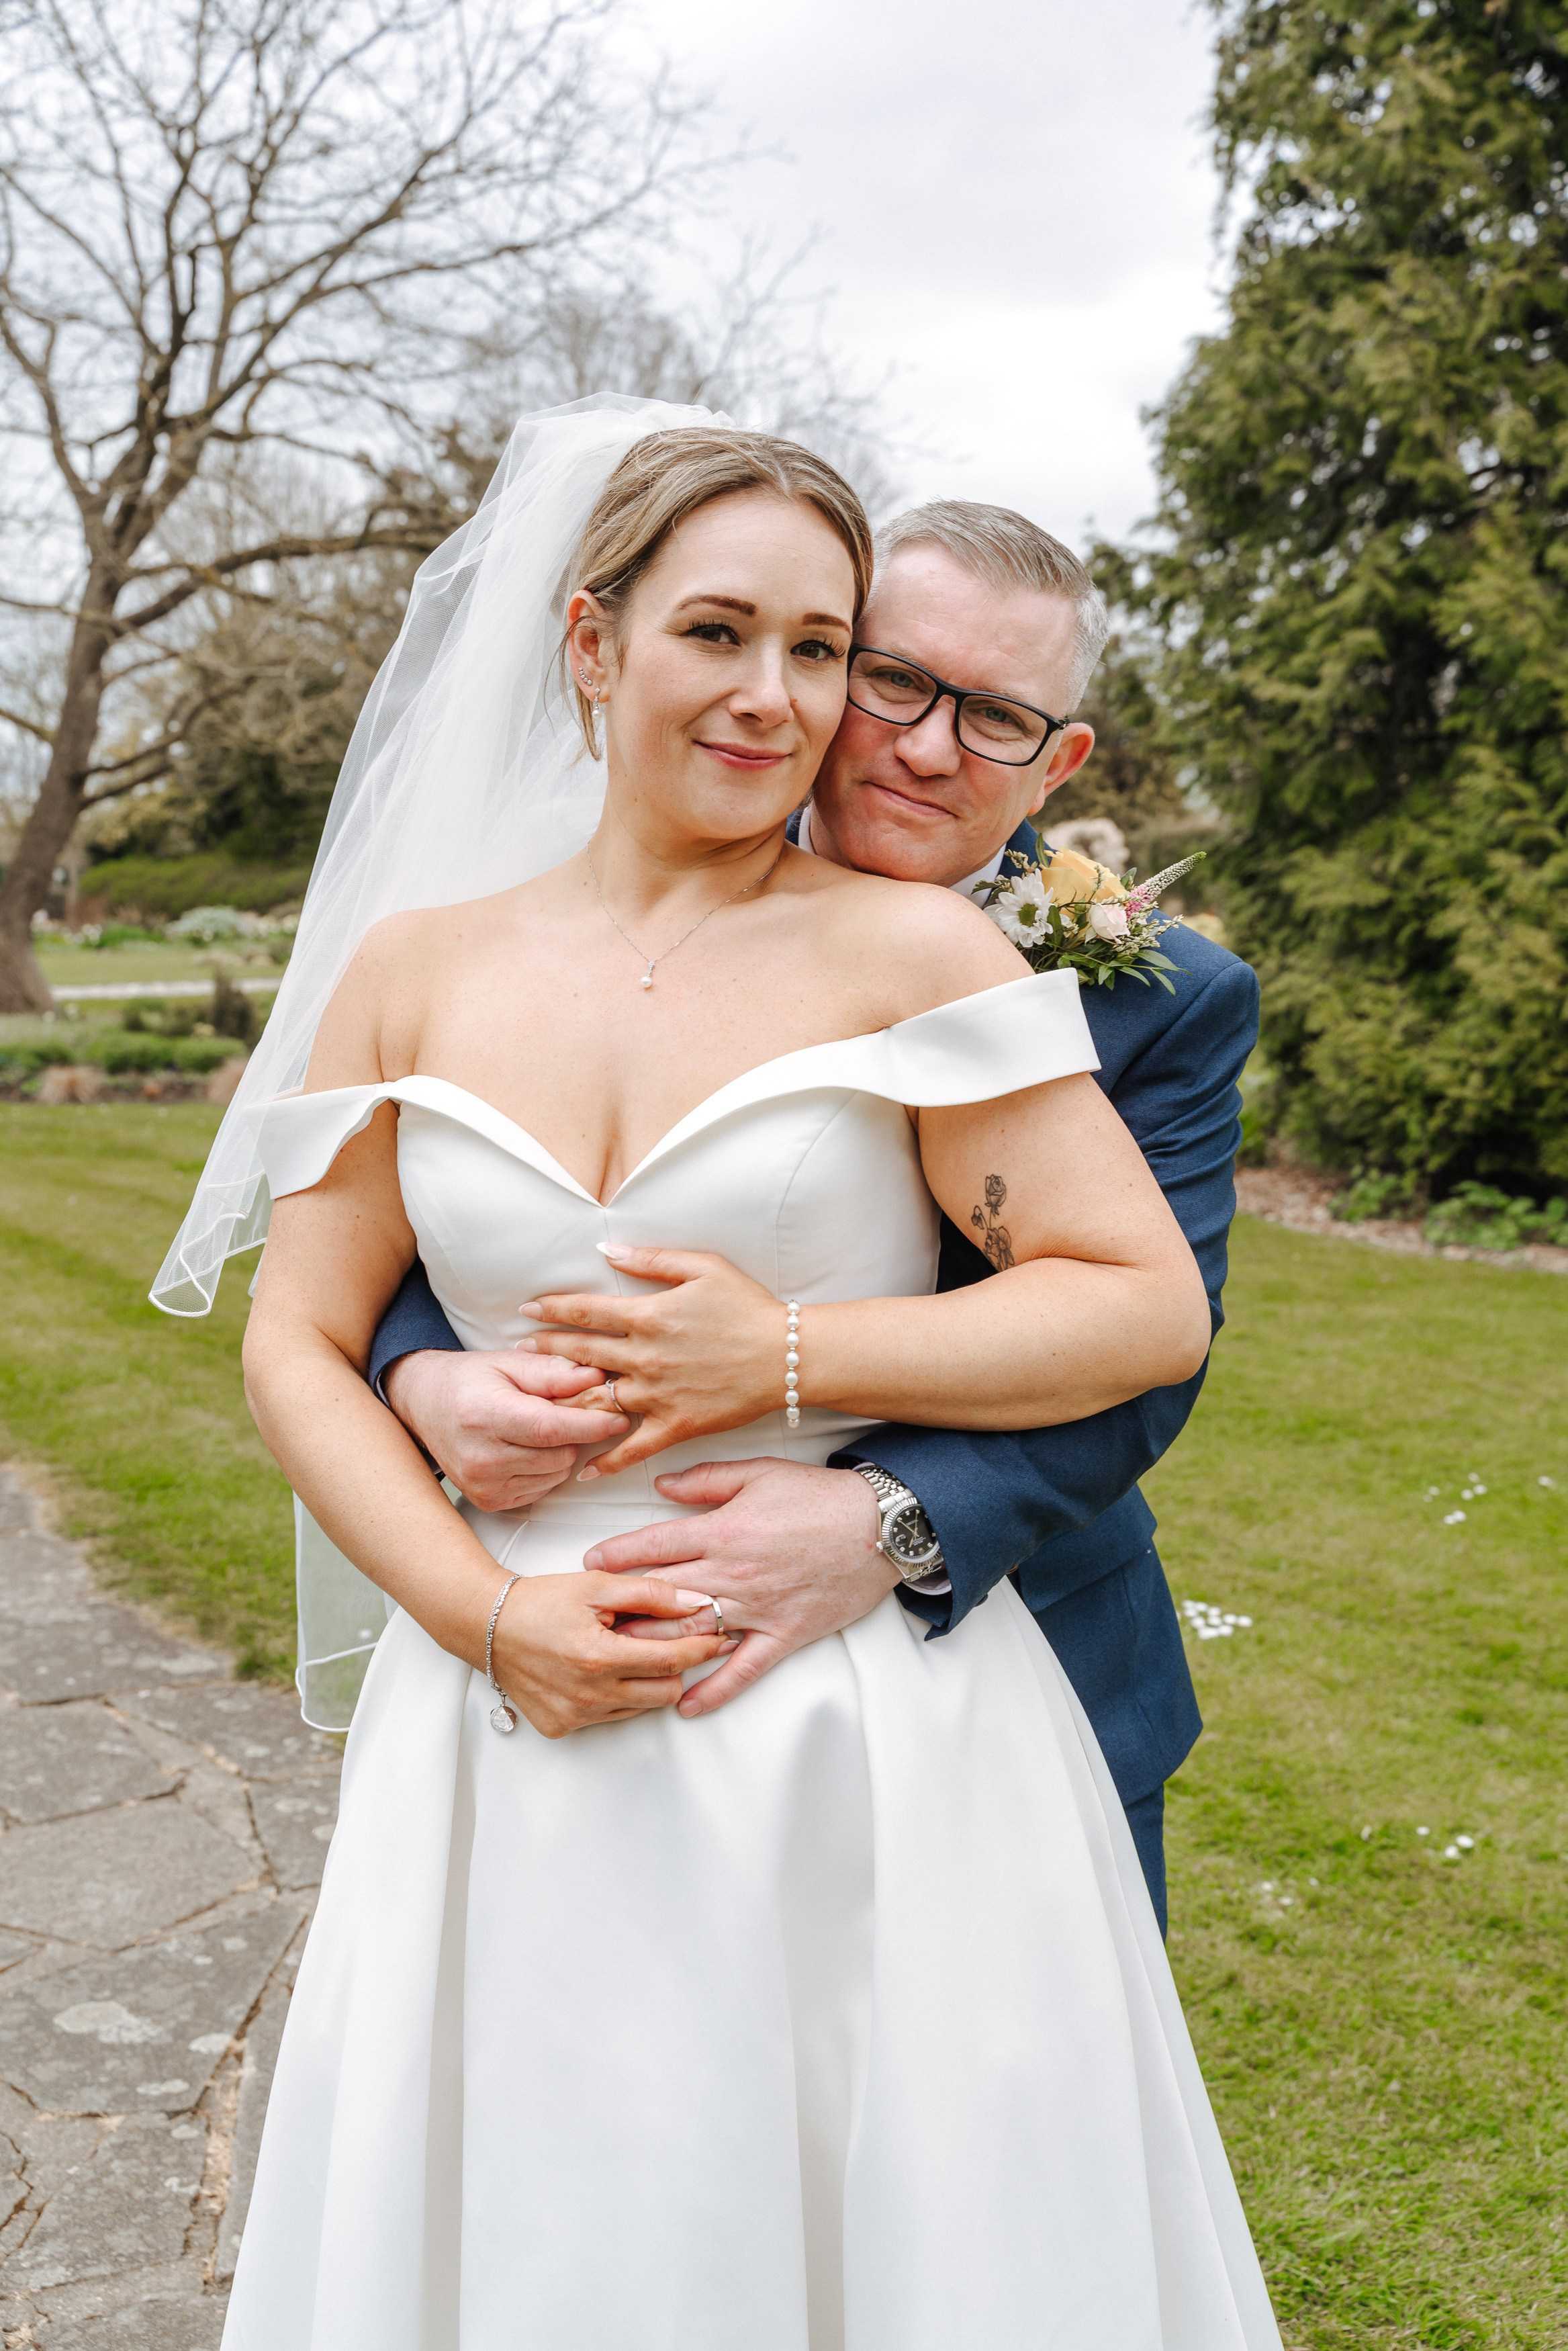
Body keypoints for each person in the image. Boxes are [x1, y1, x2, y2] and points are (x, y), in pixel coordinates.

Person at [162, 400, 1279, 2345]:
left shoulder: (926, 953)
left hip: (863, 1716)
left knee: (908, 2226)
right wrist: (482, 1610)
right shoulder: (418, 964)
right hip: (505, 1714)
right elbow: (306, 1332)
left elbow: (1140, 1310)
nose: (785, 698)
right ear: (591, 644)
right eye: (719, 633)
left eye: (817, 648)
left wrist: (773, 1356)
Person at [366, 498, 1260, 1935]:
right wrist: (422, 1367)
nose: (922, 744)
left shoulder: (1164, 1000)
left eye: (995, 717)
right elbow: (461, 1190)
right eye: (894, 680)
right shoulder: (614, 895)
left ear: (1060, 761)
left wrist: (887, 1518)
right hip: (607, 1625)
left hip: (1012, 1637)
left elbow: (1154, 1341)